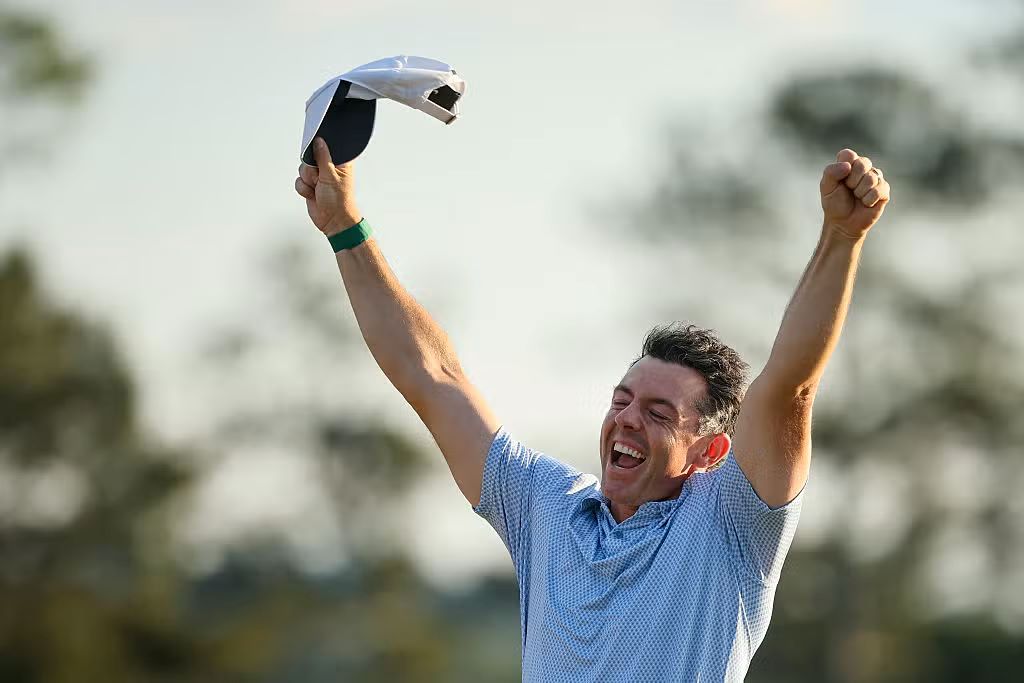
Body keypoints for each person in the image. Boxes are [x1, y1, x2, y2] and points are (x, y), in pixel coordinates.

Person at [293, 138, 891, 681]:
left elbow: (789, 388)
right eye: (621, 400)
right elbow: (433, 376)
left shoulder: (732, 523)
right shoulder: (545, 507)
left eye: (659, 413)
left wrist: (841, 238)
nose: (627, 419)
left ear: (709, 452)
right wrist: (345, 227)